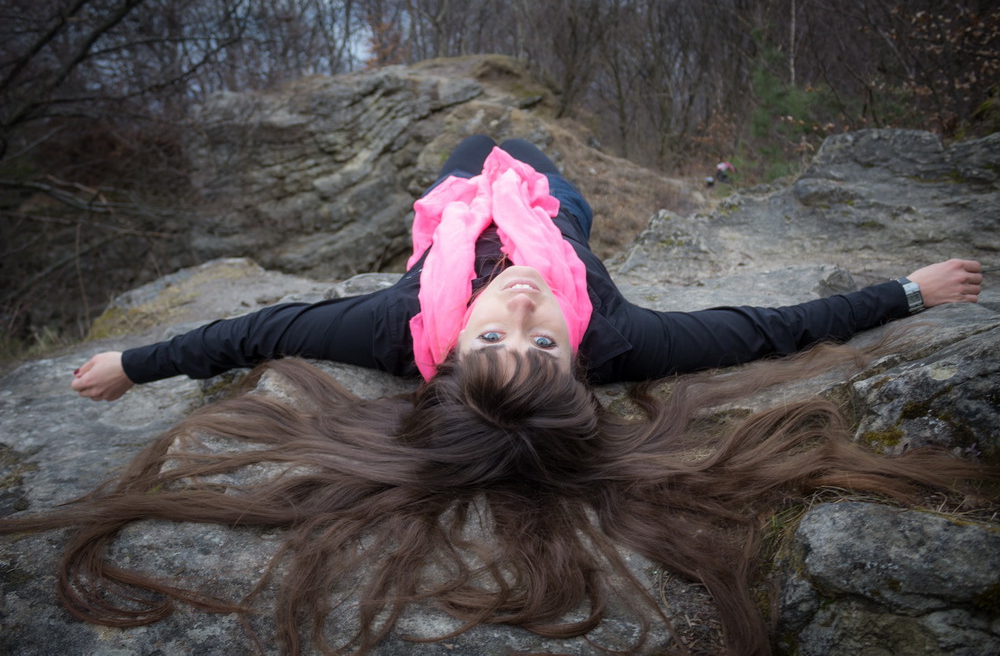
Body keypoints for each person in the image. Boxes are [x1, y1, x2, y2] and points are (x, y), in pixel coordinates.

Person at [4, 136, 992, 655]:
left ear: (449, 356)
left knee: (473, 141)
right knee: (547, 171)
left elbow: (253, 331)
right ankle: (529, 169)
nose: (519, 311)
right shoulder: (620, 338)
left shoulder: (396, 333)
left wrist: (134, 363)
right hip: (554, 208)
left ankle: (474, 170)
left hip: (453, 213)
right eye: (539, 344)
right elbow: (774, 325)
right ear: (581, 368)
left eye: (495, 339)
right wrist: (909, 291)